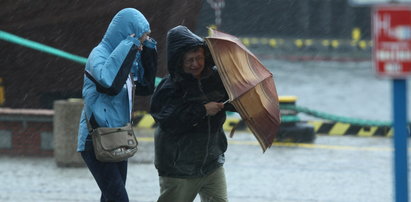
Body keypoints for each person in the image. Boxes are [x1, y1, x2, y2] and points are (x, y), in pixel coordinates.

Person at [77, 8, 157, 202]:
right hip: (96, 138)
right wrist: (129, 45)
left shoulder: (128, 57)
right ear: (127, 34)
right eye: (141, 38)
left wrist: (148, 51)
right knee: (119, 199)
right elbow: (110, 84)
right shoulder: (98, 55)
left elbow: (146, 87)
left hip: (118, 136)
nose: (142, 43)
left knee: (110, 197)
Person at [150, 25, 235, 202]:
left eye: (199, 58)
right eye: (190, 60)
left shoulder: (215, 79)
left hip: (212, 164)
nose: (195, 64)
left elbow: (230, 101)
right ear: (179, 61)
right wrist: (203, 110)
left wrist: (239, 102)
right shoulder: (169, 88)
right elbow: (169, 121)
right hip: (179, 169)